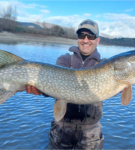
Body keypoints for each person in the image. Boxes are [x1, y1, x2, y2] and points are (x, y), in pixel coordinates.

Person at [26, 19, 106, 150]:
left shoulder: (104, 65)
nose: (85, 40)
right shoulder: (64, 59)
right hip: (62, 128)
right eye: (82, 36)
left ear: (97, 40)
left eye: (90, 36)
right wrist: (40, 89)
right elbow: (53, 86)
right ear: (77, 38)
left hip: (91, 133)